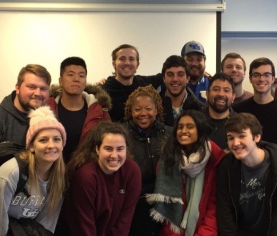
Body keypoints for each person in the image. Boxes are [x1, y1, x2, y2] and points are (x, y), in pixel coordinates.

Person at [0, 106, 66, 235]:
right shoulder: (10, 173)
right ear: (31, 146)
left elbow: (44, 227)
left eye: (57, 139)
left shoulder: (58, 178)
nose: (51, 145)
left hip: (14, 227)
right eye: (43, 140)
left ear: (62, 144)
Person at [217, 112, 277, 235]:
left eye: (242, 136)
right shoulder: (226, 166)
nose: (236, 143)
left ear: (257, 137)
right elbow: (225, 214)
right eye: (230, 137)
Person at [147, 110, 225, 236]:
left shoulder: (215, 158)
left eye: (190, 127)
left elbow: (213, 208)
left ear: (200, 130)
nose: (183, 131)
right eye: (180, 127)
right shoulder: (167, 160)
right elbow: (168, 209)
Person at [62, 122, 142, 236]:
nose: (114, 155)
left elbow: (125, 219)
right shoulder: (85, 176)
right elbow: (84, 225)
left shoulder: (132, 171)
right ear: (97, 149)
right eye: (108, 149)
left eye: (120, 149)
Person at [122, 85, 171, 236]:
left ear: (156, 110)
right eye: (137, 109)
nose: (143, 113)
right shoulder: (121, 134)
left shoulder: (170, 134)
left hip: (164, 205)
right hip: (132, 206)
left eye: (149, 109)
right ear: (131, 111)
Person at [0, 64, 51, 151]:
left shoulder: (50, 122)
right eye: (31, 87)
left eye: (43, 88)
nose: (38, 93)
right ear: (18, 88)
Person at [234, 57, 277, 164]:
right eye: (256, 75)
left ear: (273, 79)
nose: (261, 79)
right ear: (250, 79)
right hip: (245, 170)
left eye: (266, 75)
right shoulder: (239, 111)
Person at [47, 56, 111, 162]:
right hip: (50, 171)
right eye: (70, 75)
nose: (76, 79)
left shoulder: (99, 112)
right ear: (61, 81)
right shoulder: (46, 108)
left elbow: (108, 145)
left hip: (86, 172)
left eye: (81, 75)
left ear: (85, 81)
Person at [101, 44, 163, 122]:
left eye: (131, 59)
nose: (127, 63)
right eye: (122, 59)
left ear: (137, 64)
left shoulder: (145, 84)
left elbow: (167, 74)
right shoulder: (103, 91)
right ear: (114, 64)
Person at [160, 55, 204, 126]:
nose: (175, 79)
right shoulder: (153, 107)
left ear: (188, 78)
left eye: (180, 74)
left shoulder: (200, 109)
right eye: (170, 74)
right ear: (164, 78)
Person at [204, 73, 236, 150]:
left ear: (233, 97)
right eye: (216, 89)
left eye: (226, 90)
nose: (221, 94)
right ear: (207, 94)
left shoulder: (241, 124)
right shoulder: (195, 120)